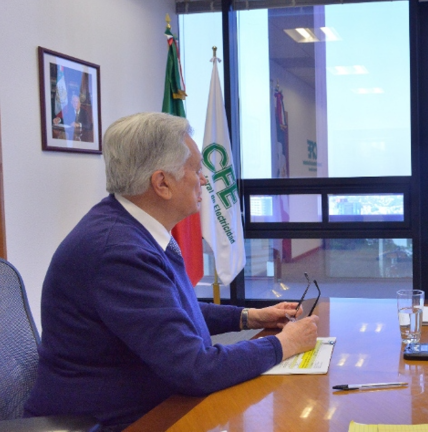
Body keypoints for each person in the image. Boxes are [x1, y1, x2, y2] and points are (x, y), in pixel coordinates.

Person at [24, 112, 319, 430]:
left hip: (151, 401)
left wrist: (249, 317)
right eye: (195, 170)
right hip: (111, 420)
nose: (204, 180)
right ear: (162, 183)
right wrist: (284, 344)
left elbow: (172, 312)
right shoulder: (118, 253)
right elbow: (196, 369)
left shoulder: (133, 228)